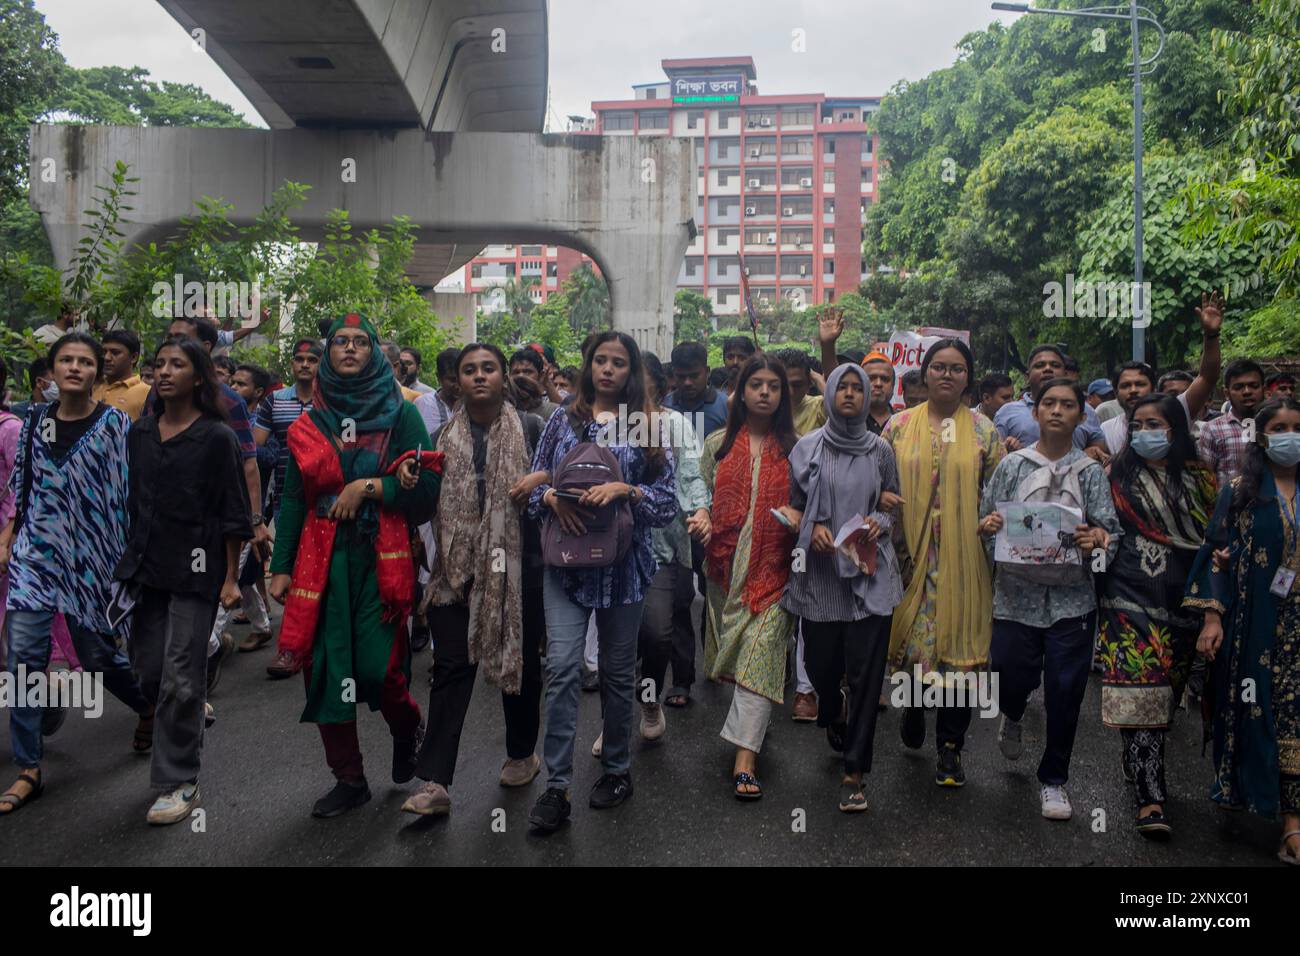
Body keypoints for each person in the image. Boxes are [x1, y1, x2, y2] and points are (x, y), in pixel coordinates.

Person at [267, 312, 441, 818]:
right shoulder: (309, 420)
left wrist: (369, 487)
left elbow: (427, 490)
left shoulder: (400, 414)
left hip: (379, 554)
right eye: (339, 342)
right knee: (323, 671)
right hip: (319, 560)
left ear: (373, 353)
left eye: (360, 342)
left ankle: (408, 726)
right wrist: (280, 566)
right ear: (328, 353)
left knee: (377, 669)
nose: (348, 348)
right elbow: (295, 498)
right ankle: (349, 778)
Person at [525, 331, 676, 831]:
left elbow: (666, 501)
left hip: (624, 572)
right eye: (600, 361)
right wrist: (549, 500)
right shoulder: (562, 420)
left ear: (632, 372)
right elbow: (531, 487)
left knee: (616, 674)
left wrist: (626, 489)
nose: (608, 370)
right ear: (588, 365)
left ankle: (616, 769)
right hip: (566, 570)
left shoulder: (647, 425)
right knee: (565, 668)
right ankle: (556, 785)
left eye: (619, 363)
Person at [0, 333, 153, 817]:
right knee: (22, 658)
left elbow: (130, 492)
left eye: (85, 361)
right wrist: (9, 539)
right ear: (52, 368)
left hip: (93, 560)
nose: (75, 367)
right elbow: (22, 483)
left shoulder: (114, 425)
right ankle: (28, 767)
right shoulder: (34, 422)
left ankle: (148, 706)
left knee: (97, 656)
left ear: (96, 373)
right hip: (36, 557)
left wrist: (133, 558)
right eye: (65, 359)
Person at [402, 344, 549, 814]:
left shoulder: (531, 427)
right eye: (470, 371)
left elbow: (559, 479)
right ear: (457, 381)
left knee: (519, 665)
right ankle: (435, 783)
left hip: (519, 568)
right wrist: (408, 475)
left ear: (504, 376)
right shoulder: (441, 437)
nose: (479, 377)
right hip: (456, 571)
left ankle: (522, 751)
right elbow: (424, 502)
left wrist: (540, 477)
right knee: (450, 667)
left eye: (489, 368)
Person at [114, 336, 250, 824]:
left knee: (177, 679)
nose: (165, 371)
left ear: (198, 377)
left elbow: (234, 510)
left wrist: (231, 578)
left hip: (198, 572)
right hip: (148, 569)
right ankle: (193, 695)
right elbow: (131, 503)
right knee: (149, 672)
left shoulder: (217, 437)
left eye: (177, 364)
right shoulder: (141, 433)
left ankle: (178, 780)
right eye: (159, 364)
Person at [980, 378, 1120, 820]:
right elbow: (989, 517)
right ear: (1035, 412)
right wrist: (988, 529)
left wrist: (1096, 539)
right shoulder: (1012, 466)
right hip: (1015, 597)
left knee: (1065, 690)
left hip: (1072, 601)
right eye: (1049, 403)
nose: (1057, 410)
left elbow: (1108, 531)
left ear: (1081, 415)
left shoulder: (1091, 472)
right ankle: (1014, 712)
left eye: (1067, 404)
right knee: (1008, 673)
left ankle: (1054, 780)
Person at [883, 338, 1005, 786]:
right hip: (909, 559)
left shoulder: (985, 431)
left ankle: (951, 746)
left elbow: (1000, 493)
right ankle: (915, 708)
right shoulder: (897, 427)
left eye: (956, 368)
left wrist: (995, 520)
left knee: (961, 656)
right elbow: (878, 483)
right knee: (917, 653)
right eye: (938, 367)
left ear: (968, 376)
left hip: (966, 561)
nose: (947, 375)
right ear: (925, 373)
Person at [783, 363, 902, 812]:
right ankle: (833, 713)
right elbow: (792, 506)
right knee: (820, 667)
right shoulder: (807, 449)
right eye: (843, 387)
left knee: (867, 677)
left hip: (870, 575)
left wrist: (879, 521)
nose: (850, 394)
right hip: (820, 576)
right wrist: (810, 525)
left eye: (858, 388)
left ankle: (856, 769)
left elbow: (892, 505)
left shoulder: (879, 450)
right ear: (830, 393)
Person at [1095, 393, 1216, 838]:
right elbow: (1102, 526)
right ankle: (1151, 797)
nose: (1147, 431)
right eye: (1139, 424)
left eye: (1156, 423)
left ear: (1176, 430)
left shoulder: (1202, 480)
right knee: (1142, 688)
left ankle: (1137, 758)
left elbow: (1212, 537)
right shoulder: (1115, 475)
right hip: (1128, 594)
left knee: (1168, 690)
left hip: (1185, 596)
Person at [1185, 398, 1300, 864]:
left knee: (1295, 716)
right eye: (1279, 427)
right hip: (1258, 625)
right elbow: (1215, 552)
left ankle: (1292, 822)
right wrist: (1213, 617)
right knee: (1261, 710)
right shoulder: (1242, 490)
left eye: (1297, 426)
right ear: (1262, 436)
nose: (1290, 435)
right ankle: (1274, 810)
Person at [701, 354, 799, 799]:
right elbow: (698, 492)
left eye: (773, 386)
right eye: (755, 384)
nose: (764, 392)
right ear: (741, 393)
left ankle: (745, 760)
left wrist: (800, 515)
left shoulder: (798, 450)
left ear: (783, 395)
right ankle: (753, 727)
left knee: (760, 652)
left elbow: (816, 501)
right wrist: (702, 513)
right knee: (740, 658)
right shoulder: (719, 444)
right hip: (725, 569)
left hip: (777, 570)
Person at [638, 353, 710, 719]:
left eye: (641, 375)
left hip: (669, 542)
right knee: (622, 638)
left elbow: (692, 472)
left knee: (666, 624)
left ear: (659, 384)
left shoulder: (677, 424)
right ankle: (619, 719)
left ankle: (675, 682)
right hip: (618, 546)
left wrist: (700, 510)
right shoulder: (609, 423)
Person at [1097, 293, 1223, 457]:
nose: (1133, 390)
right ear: (1115, 392)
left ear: (1154, 388)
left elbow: (1207, 377)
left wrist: (1211, 335)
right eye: (1125, 385)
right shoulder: (1106, 429)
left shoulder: (1175, 411)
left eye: (1140, 384)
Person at [221, 364, 277, 654]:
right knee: (239, 576)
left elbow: (264, 461)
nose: (233, 388)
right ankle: (261, 625)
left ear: (257, 392)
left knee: (230, 575)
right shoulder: (224, 414)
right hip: (222, 507)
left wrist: (257, 519)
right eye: (232, 382)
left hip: (249, 511)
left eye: (240, 384)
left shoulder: (264, 421)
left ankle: (211, 644)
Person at [994, 344, 1106, 460]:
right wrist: (1007, 450)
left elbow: (1100, 452)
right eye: (1039, 365)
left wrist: (1085, 455)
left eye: (1055, 365)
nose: (1047, 369)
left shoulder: (1084, 409)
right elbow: (995, 456)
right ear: (1027, 377)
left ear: (1065, 374)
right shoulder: (1006, 412)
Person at [1197, 358, 1266, 488]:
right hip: (1229, 505)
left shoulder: (1276, 427)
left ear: (1264, 389)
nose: (1247, 391)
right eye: (1238, 387)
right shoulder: (1212, 429)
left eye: (1253, 386)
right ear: (1226, 393)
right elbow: (1206, 479)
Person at [665, 341, 729, 442]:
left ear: (707, 372)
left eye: (694, 376)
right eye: (681, 377)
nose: (687, 383)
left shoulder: (725, 406)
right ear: (674, 374)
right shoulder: (664, 407)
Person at [94, 330, 152, 421]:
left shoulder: (147, 392)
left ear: (133, 357)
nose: (107, 358)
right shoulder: (92, 386)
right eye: (104, 352)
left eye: (115, 353)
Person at [510, 348, 560, 423]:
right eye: (516, 372)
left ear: (541, 376)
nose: (521, 376)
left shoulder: (553, 413)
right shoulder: (500, 411)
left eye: (527, 372)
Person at [862, 352, 897, 434]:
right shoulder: (849, 420)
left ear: (893, 385)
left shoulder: (907, 421)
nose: (878, 384)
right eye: (871, 378)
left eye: (885, 379)